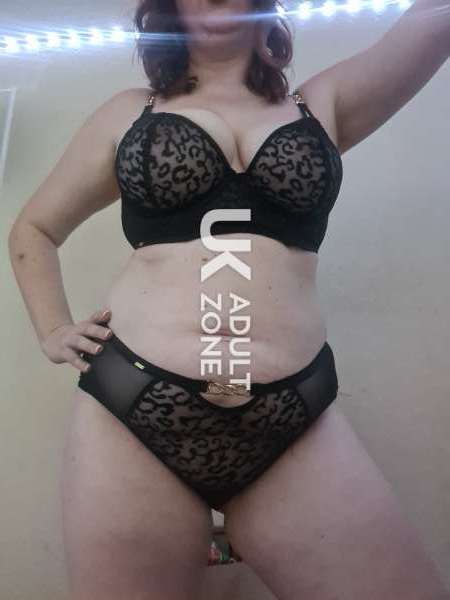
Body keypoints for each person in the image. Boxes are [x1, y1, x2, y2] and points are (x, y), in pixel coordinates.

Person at [8, 0, 450, 598]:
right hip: (134, 406)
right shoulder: (130, 112)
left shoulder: (322, 104)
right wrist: (53, 328)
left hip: (292, 413)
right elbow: (34, 230)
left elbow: (433, 21)